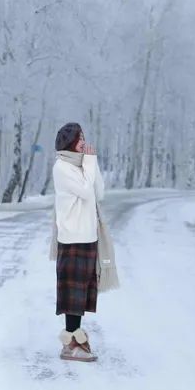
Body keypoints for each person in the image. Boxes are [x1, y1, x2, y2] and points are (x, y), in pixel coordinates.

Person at [51, 122, 106, 362]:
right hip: (72, 236)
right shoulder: (62, 166)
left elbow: (99, 193)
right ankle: (71, 343)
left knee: (81, 292)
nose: (84, 141)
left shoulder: (83, 165)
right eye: (80, 138)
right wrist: (90, 163)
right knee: (71, 292)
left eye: (84, 136)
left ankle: (75, 340)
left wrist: (92, 165)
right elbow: (85, 192)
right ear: (71, 141)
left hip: (88, 234)